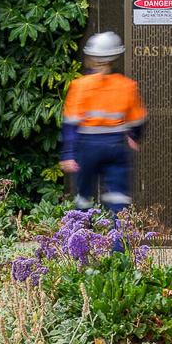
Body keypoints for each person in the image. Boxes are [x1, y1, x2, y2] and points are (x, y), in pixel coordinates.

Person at [60, 32, 147, 216]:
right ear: (115, 57)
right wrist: (134, 137)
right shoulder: (127, 86)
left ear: (91, 58)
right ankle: (119, 234)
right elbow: (139, 120)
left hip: (87, 146)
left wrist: (68, 154)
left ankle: (82, 232)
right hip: (116, 145)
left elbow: (70, 124)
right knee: (118, 197)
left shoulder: (80, 85)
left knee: (84, 196)